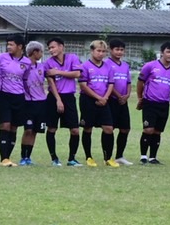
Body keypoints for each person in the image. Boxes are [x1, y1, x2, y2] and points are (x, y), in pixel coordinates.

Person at [41, 38, 83, 166]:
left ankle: (72, 159)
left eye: (53, 47)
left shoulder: (72, 58)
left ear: (61, 47)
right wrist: (58, 100)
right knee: (52, 128)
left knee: (75, 130)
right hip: (54, 97)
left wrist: (58, 72)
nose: (51, 50)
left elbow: (77, 73)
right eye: (49, 48)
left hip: (69, 97)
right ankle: (54, 159)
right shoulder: (47, 63)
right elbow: (51, 82)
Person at [135, 41, 170, 164]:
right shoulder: (150, 66)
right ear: (162, 53)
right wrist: (140, 98)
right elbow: (140, 82)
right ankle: (143, 156)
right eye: (168, 52)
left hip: (164, 104)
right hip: (150, 102)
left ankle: (153, 157)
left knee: (158, 131)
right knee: (148, 129)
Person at [77, 40, 116, 167]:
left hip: (104, 100)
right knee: (88, 128)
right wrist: (97, 97)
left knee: (108, 128)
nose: (101, 54)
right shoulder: (85, 66)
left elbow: (110, 84)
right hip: (88, 100)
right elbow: (83, 85)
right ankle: (89, 157)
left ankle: (108, 158)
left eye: (103, 51)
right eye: (98, 51)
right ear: (92, 51)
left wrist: (104, 98)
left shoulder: (108, 67)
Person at [0, 38, 27, 166]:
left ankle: (8, 157)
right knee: (5, 126)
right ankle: (4, 158)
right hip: (3, 96)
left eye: (11, 44)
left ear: (20, 46)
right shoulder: (1, 57)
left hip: (19, 97)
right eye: (7, 44)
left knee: (14, 127)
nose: (8, 47)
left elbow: (25, 80)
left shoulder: (26, 62)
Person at [18, 40, 52, 165]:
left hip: (41, 103)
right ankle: (23, 156)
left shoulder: (42, 67)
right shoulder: (23, 66)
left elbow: (49, 78)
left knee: (35, 131)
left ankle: (28, 157)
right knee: (28, 129)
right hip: (28, 103)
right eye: (41, 51)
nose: (42, 54)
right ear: (34, 52)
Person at [106, 39, 134, 165]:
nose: (119, 52)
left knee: (125, 129)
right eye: (116, 49)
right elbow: (108, 84)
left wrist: (127, 95)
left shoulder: (125, 65)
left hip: (123, 101)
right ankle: (108, 157)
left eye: (121, 50)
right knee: (109, 129)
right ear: (110, 50)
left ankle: (119, 156)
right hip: (111, 100)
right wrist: (118, 96)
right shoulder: (106, 64)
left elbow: (128, 82)